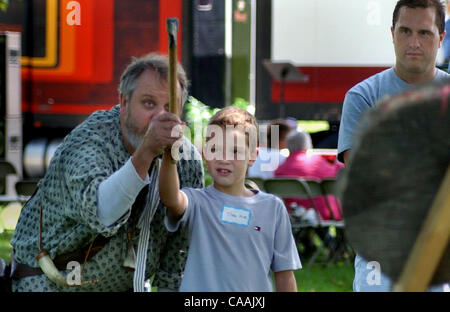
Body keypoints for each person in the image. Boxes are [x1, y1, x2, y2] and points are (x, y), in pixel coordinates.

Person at [9, 53, 204, 292]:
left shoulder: (187, 161)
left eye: (169, 106)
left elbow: (179, 255)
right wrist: (145, 153)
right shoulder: (89, 141)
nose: (160, 117)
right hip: (49, 283)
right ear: (124, 102)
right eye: (149, 104)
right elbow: (103, 214)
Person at [338, 0, 450, 292]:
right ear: (392, 33)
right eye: (405, 31)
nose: (414, 42)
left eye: (425, 33)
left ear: (441, 37)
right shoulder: (362, 96)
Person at [159, 106, 301, 291]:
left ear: (252, 156)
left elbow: (285, 275)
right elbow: (170, 198)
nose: (224, 158)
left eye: (235, 151)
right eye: (215, 149)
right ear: (205, 153)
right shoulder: (196, 202)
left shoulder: (273, 208)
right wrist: (169, 155)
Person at [275, 130, 344, 221]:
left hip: (295, 215)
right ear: (308, 145)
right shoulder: (318, 163)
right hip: (326, 213)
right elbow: (337, 173)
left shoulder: (280, 170)